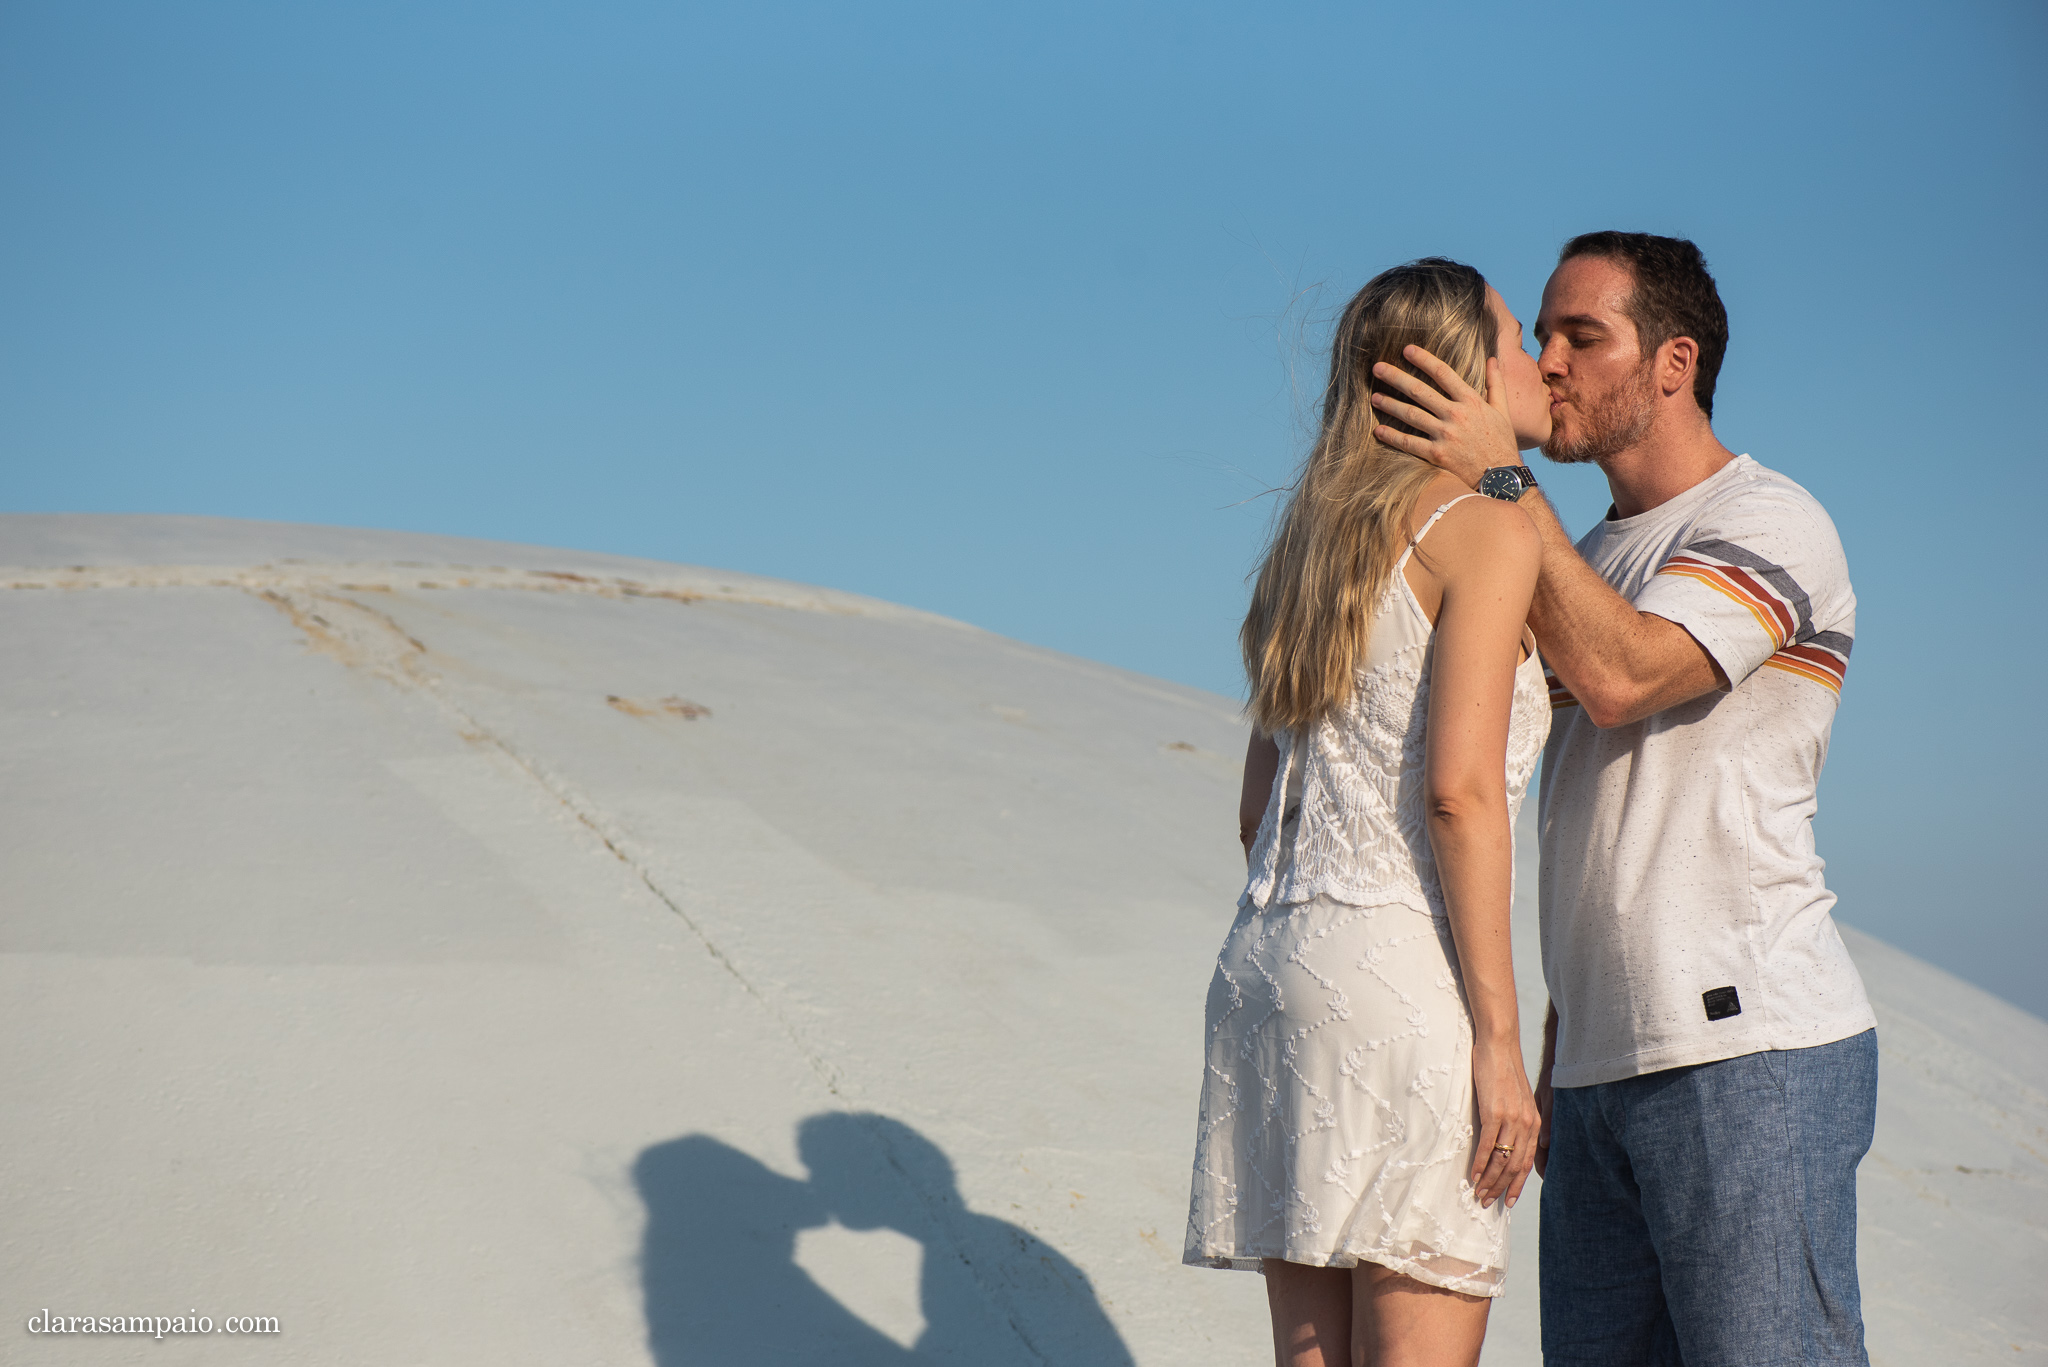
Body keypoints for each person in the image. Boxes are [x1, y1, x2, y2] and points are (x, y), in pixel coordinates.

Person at [1368, 232, 1878, 1366]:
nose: (1547, 361)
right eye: (1540, 334)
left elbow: (1621, 676)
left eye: (1581, 335)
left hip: (1748, 1050)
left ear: (1671, 362)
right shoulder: (1576, 545)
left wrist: (1501, 480)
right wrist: (1553, 1027)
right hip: (1592, 1065)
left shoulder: (1766, 520)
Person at [1184, 258, 1555, 1367]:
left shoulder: (1308, 544)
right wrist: (1498, 1039)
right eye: (1516, 339)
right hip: (1400, 979)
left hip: (1265, 964)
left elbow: (1256, 808)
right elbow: (1457, 790)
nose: (1537, 361)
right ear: (1470, 374)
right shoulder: (1487, 528)